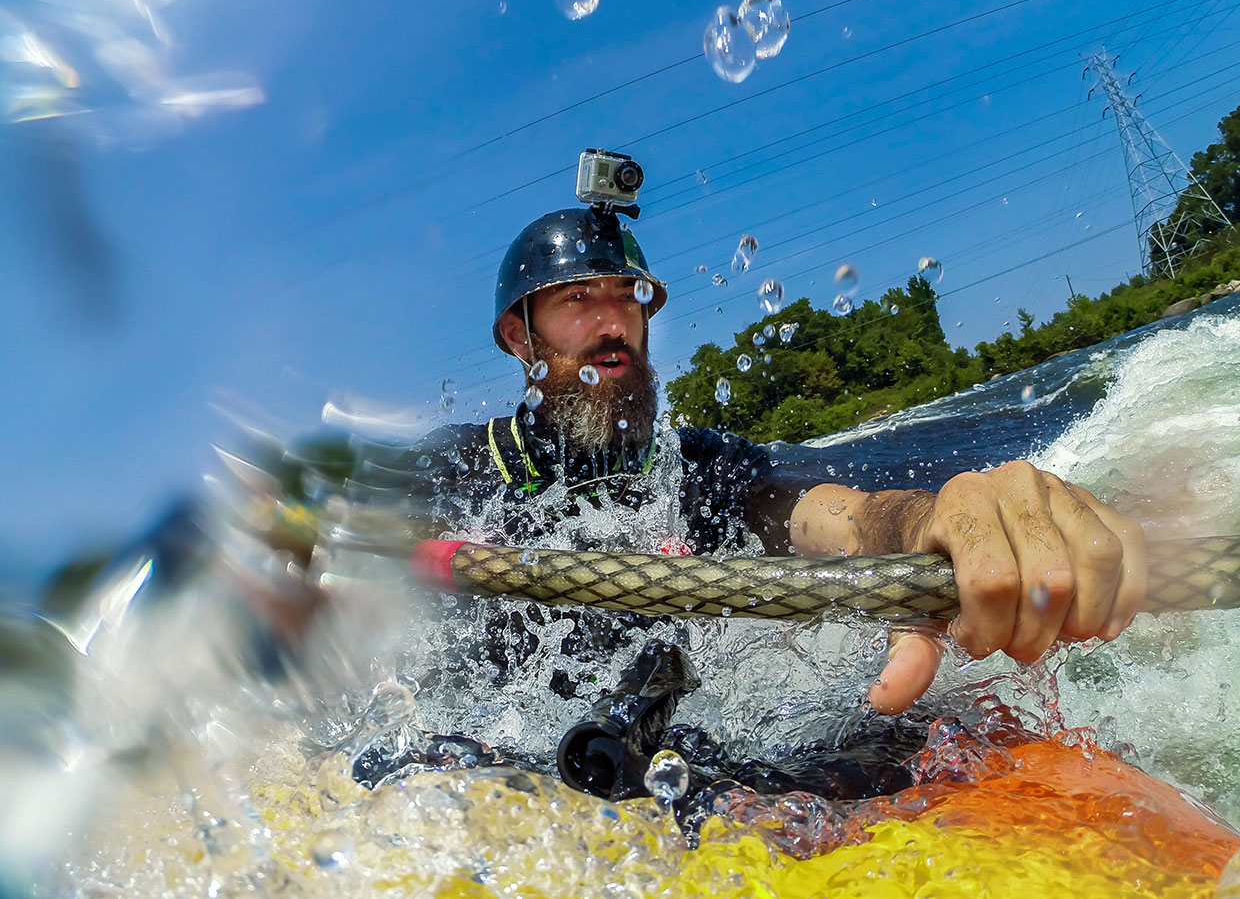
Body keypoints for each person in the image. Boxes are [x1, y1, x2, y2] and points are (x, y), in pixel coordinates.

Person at [350, 205, 1147, 716]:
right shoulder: (456, 472)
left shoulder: (698, 468)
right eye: (577, 300)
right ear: (518, 337)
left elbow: (830, 514)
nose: (613, 323)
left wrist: (928, 520)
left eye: (627, 297)